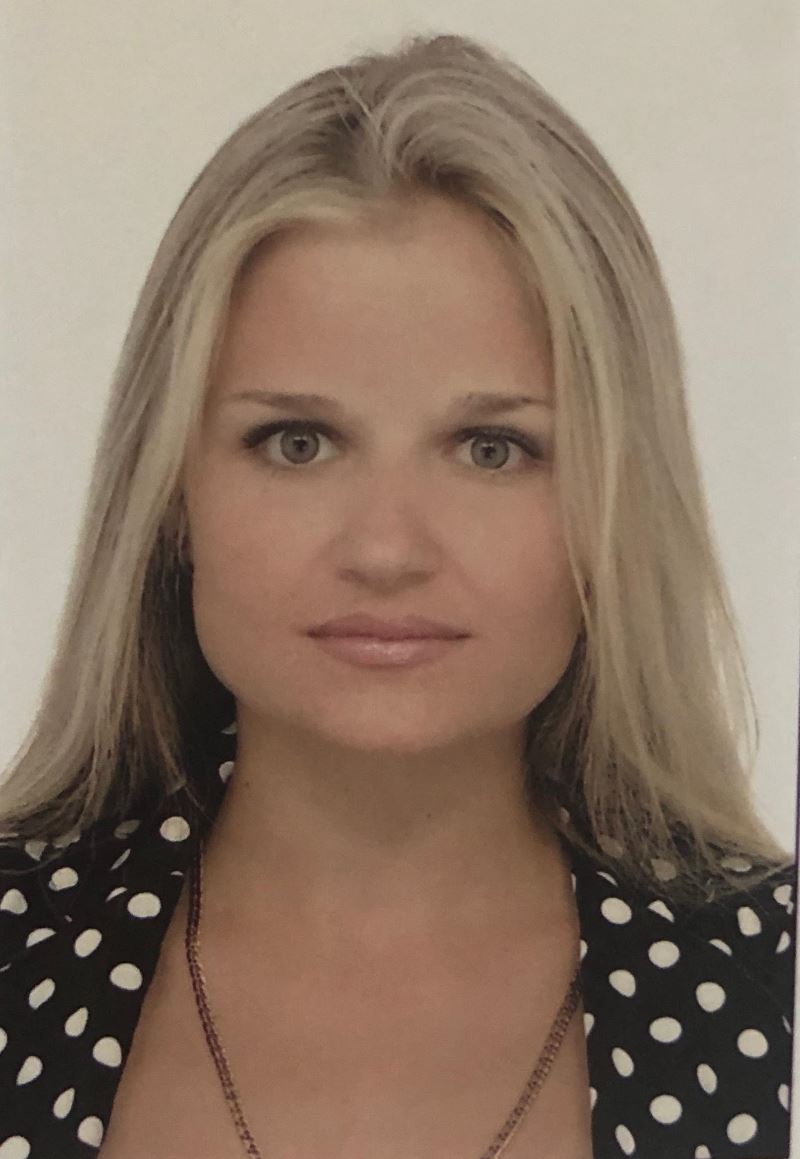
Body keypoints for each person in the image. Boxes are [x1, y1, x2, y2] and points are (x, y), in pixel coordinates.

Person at [0, 31, 795, 1159]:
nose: (385, 548)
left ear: (617, 504)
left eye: (490, 448)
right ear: (170, 492)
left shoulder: (769, 986)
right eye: (297, 441)